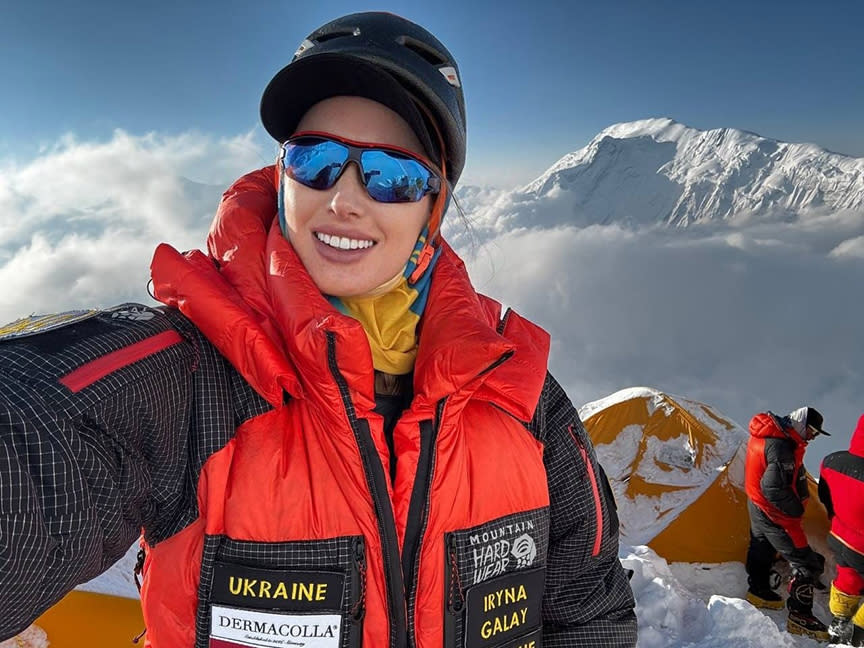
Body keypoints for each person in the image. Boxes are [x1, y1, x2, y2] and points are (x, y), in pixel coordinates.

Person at [0, 11, 637, 647]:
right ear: (282, 178)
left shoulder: (519, 394)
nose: (346, 198)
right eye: (318, 160)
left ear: (432, 208)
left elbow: (591, 618)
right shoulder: (180, 382)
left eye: (393, 176)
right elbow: (33, 441)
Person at [744, 406, 830, 640]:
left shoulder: (773, 434)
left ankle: (758, 589)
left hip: (756, 503)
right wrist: (795, 510)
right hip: (777, 514)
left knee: (761, 544)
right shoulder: (781, 447)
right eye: (812, 431)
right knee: (806, 563)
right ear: (802, 425)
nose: (813, 437)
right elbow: (772, 488)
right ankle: (800, 618)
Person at [819, 414, 864, 645]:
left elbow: (825, 496)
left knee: (847, 578)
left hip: (839, 537)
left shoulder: (831, 461)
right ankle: (859, 632)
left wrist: (836, 519)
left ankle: (839, 621)